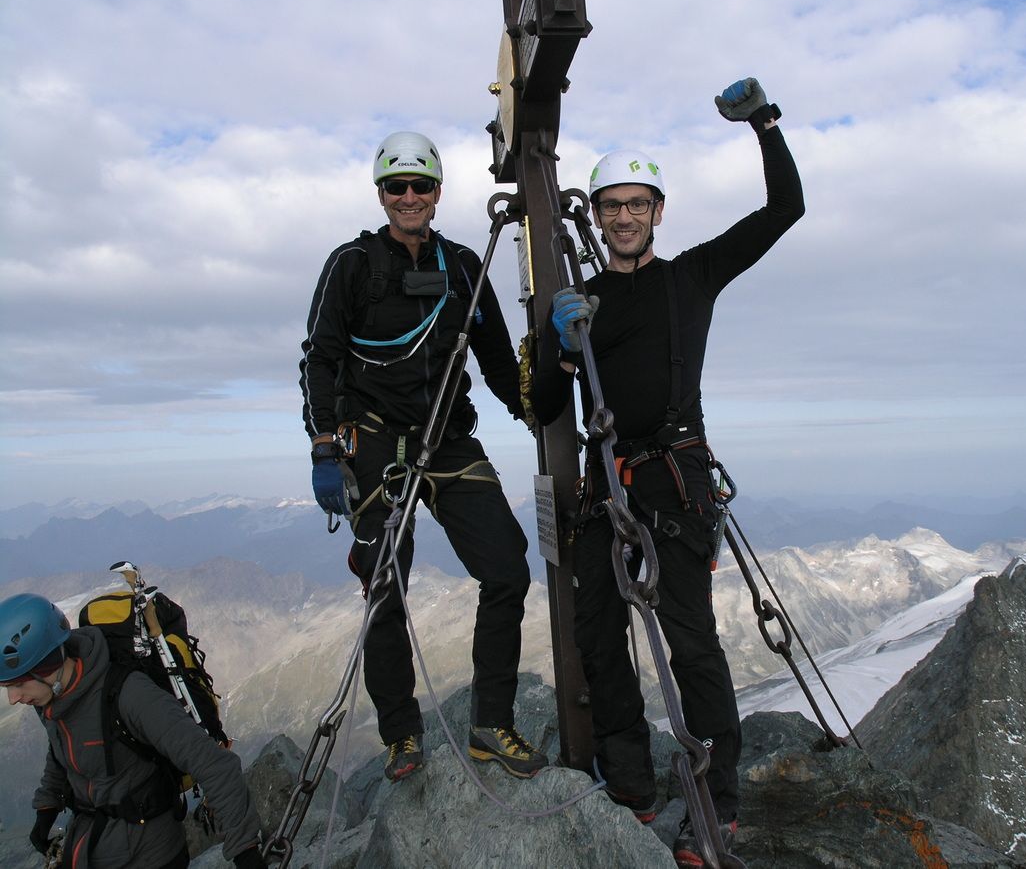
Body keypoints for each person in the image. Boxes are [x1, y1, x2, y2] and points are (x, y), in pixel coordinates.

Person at [531, 78, 804, 866]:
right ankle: (631, 790)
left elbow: (783, 210)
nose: (623, 217)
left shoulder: (690, 279)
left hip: (673, 481)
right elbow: (546, 403)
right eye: (611, 205)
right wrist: (556, 341)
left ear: (657, 212)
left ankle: (719, 802)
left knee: (690, 641)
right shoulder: (577, 300)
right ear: (601, 214)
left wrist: (764, 124)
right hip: (603, 485)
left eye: (637, 204)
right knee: (600, 640)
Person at [299, 131, 547, 782]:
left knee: (508, 571)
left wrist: (539, 419)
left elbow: (496, 362)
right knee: (386, 586)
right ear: (381, 194)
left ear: (437, 192)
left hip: (450, 440)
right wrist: (325, 446)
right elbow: (320, 358)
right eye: (396, 186)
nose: (409, 196)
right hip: (375, 443)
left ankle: (490, 723)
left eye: (421, 185)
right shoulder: (351, 265)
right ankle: (401, 736)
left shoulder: (464, 266)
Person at [0, 593, 265, 868]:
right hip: (90, 846)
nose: (13, 698)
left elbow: (213, 764)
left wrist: (244, 849)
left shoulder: (129, 694)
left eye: (18, 684)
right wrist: (47, 806)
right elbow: (62, 748)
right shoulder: (53, 698)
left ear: (47, 665)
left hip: (149, 855)